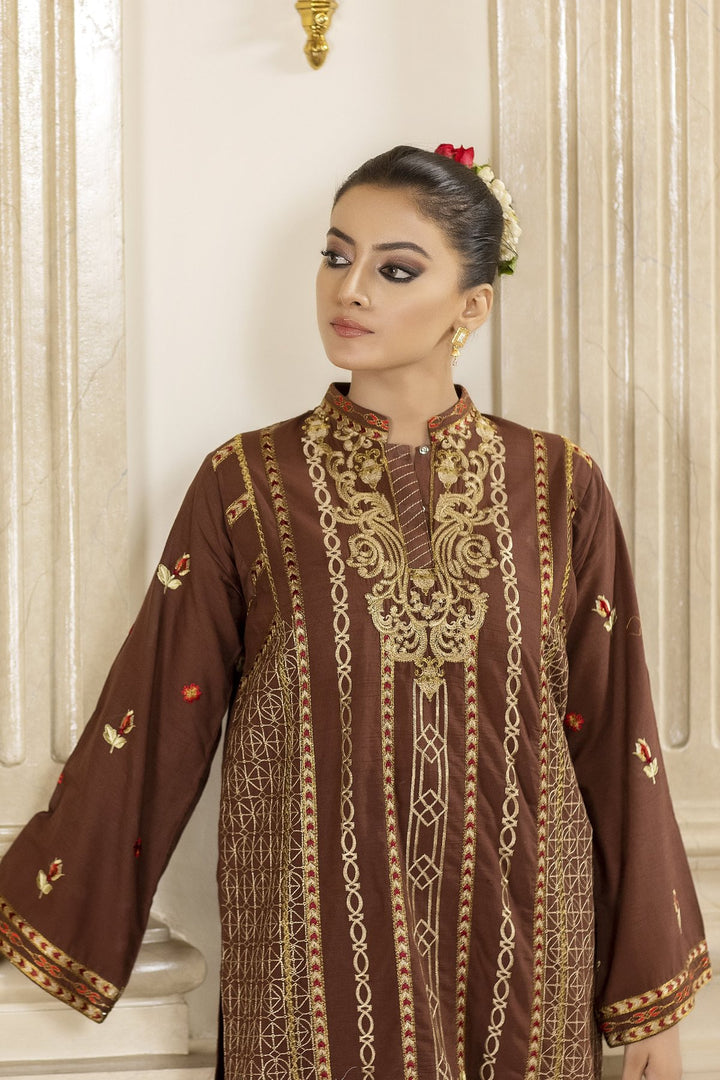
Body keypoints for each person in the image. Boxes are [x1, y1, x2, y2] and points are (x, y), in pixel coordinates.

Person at [0, 144, 710, 1080]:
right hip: (311, 964)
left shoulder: (558, 487)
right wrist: (47, 906)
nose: (351, 289)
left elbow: (619, 740)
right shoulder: (247, 484)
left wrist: (651, 1000)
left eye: (396, 269)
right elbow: (157, 714)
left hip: (526, 960)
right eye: (337, 256)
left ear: (472, 306)